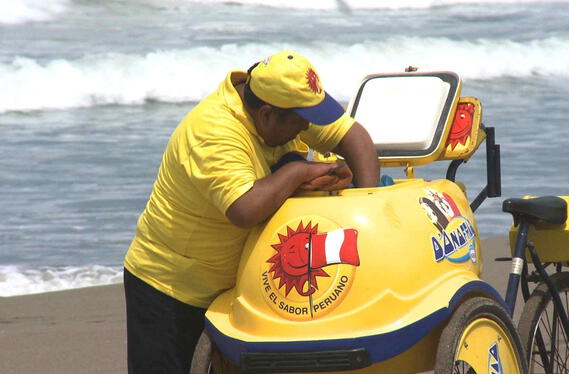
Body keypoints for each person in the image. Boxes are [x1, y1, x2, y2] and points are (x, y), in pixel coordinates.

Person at [123, 50, 380, 374]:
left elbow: (354, 137)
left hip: (239, 285)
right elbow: (245, 209)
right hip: (172, 286)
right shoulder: (214, 132)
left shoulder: (282, 106)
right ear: (268, 115)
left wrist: (365, 197)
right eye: (300, 120)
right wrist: (299, 172)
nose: (307, 126)